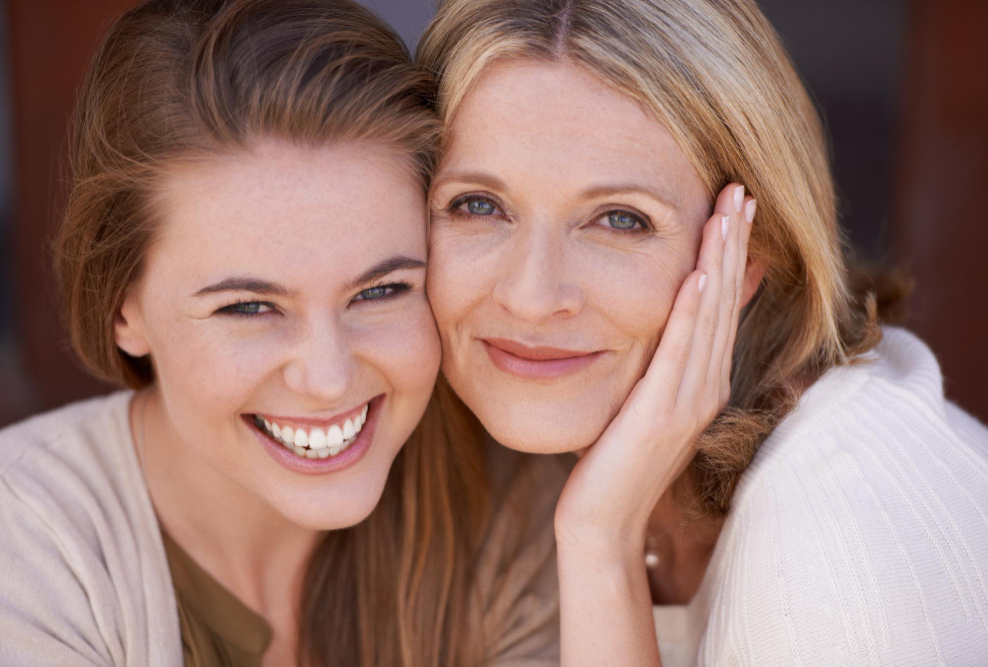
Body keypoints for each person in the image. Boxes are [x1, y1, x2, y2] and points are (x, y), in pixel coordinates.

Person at [0, 1, 562, 665]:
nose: (328, 379)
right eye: (249, 307)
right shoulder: (22, 543)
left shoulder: (506, 513)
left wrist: (602, 535)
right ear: (124, 310)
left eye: (381, 291)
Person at [417, 0, 988, 664]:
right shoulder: (527, 473)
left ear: (748, 254)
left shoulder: (835, 550)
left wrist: (600, 540)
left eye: (621, 219)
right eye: (477, 205)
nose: (532, 296)